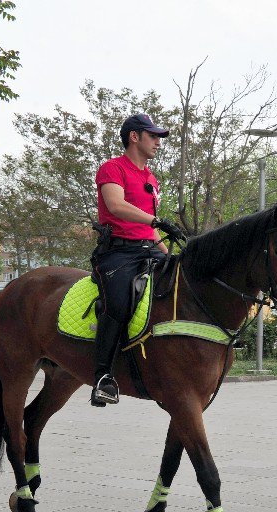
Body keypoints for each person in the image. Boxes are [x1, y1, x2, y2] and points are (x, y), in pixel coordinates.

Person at [91, 113, 186, 406]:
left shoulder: (150, 178)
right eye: (153, 136)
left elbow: (148, 228)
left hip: (148, 247)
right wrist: (158, 220)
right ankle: (103, 377)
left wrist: (170, 252)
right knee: (118, 303)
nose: (158, 142)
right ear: (135, 136)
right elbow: (116, 206)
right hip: (118, 252)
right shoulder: (113, 168)